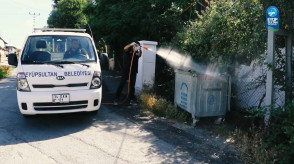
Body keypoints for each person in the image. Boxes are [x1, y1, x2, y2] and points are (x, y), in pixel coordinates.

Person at [114, 41, 142, 106]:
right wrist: (130, 44)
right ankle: (116, 99)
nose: (135, 47)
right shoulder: (129, 50)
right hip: (126, 71)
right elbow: (124, 48)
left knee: (132, 86)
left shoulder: (138, 52)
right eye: (135, 45)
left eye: (137, 46)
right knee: (121, 84)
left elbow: (139, 55)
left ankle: (131, 100)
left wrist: (139, 49)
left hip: (133, 71)